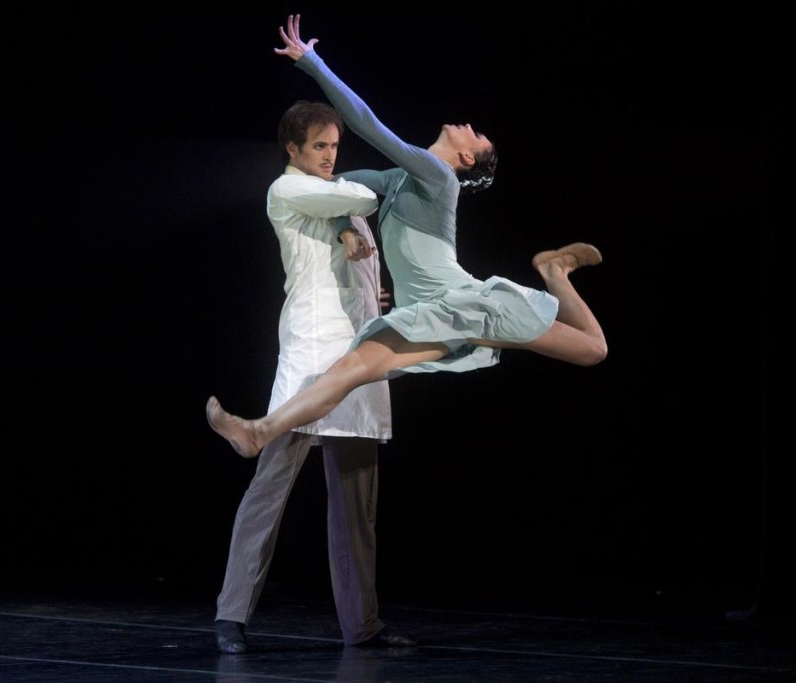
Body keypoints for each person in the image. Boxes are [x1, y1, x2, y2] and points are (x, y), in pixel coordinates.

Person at [207, 14, 608, 458]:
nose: (468, 127)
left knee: (592, 350)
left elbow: (367, 124)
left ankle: (554, 272)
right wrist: (342, 229)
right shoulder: (397, 179)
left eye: (475, 136)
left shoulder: (439, 176)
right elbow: (334, 186)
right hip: (422, 312)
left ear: (466, 159)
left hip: (461, 302)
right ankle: (258, 432)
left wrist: (313, 63)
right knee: (350, 370)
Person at [213, 100, 416, 654]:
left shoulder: (337, 209)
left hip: (357, 354)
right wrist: (345, 224)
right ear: (293, 150)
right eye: (319, 147)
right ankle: (232, 616)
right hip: (309, 353)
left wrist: (371, 290)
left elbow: (357, 250)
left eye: (334, 147)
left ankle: (362, 624)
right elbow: (365, 194)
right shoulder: (289, 190)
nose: (330, 157)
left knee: (357, 507)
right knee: (269, 491)